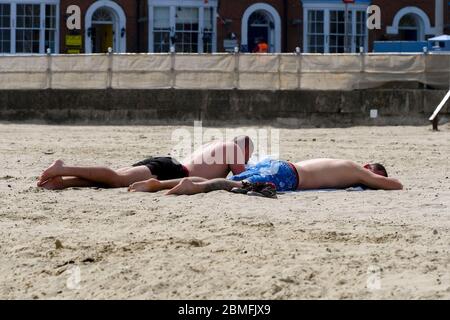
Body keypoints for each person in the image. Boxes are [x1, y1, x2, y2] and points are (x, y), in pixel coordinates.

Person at [37, 136, 253, 190]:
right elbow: (241, 178)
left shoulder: (217, 143)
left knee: (114, 180)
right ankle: (63, 168)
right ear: (243, 149)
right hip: (172, 170)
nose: (246, 161)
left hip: (168, 164)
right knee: (116, 178)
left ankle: (63, 181)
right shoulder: (234, 149)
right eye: (248, 156)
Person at [145, 158, 403, 196]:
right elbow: (394, 185)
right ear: (369, 166)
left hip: (278, 164)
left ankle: (157, 183)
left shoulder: (342, 164)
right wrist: (374, 180)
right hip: (289, 176)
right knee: (234, 185)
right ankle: (193, 187)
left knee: (241, 178)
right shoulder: (358, 169)